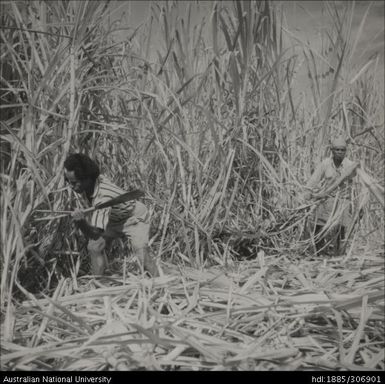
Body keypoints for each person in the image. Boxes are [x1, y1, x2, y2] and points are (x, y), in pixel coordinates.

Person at [63, 153, 158, 276]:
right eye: (68, 182)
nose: (71, 186)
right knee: (94, 247)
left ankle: (160, 283)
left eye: (74, 182)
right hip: (114, 219)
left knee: (142, 256)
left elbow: (95, 234)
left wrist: (80, 222)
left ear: (87, 179)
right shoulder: (93, 182)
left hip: (134, 218)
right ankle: (97, 284)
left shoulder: (103, 198)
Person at [304, 136, 358, 255]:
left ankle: (339, 254)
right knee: (319, 225)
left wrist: (358, 204)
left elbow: (358, 184)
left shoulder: (350, 165)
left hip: (343, 200)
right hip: (327, 199)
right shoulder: (326, 164)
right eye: (337, 149)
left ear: (346, 151)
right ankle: (320, 253)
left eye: (342, 150)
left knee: (341, 228)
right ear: (332, 150)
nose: (340, 152)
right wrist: (307, 191)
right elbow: (314, 179)